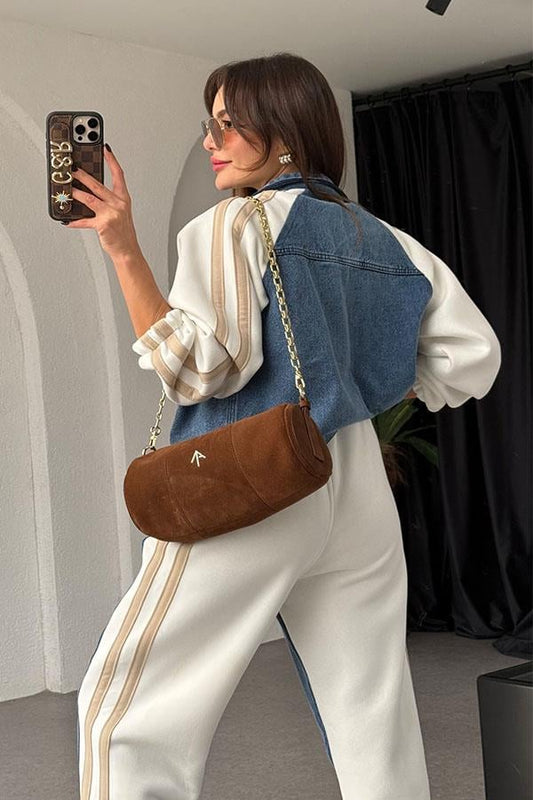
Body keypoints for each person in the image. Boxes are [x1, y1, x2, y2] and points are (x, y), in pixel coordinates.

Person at [73, 53, 501, 800]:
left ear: (284, 132)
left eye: (228, 125)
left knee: (126, 715)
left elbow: (202, 371)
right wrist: (357, 385)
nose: (210, 141)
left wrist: (122, 248)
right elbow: (472, 356)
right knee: (372, 718)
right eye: (208, 124)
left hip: (252, 477)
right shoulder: (382, 239)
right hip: (356, 487)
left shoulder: (234, 222)